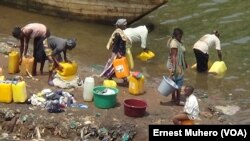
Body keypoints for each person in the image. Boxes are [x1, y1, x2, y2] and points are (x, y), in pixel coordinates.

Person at [100, 18, 129, 86]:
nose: (126, 26)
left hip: (120, 52)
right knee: (117, 66)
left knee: (118, 66)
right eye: (125, 25)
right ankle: (123, 79)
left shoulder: (121, 32)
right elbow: (115, 44)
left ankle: (111, 77)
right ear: (121, 26)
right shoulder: (118, 34)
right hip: (117, 53)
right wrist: (118, 53)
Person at [166, 28, 188, 105]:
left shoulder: (179, 42)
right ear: (176, 35)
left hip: (179, 64)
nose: (181, 37)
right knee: (177, 81)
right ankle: (176, 99)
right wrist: (175, 68)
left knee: (177, 80)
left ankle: (175, 98)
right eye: (180, 35)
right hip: (175, 64)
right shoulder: (174, 43)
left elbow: (182, 54)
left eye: (181, 35)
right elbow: (174, 56)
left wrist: (185, 63)